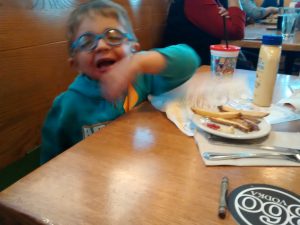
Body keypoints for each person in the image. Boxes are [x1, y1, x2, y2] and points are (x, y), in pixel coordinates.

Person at [40, 0, 200, 164]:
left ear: (133, 48)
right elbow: (48, 166)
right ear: (75, 63)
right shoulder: (66, 106)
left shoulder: (142, 78)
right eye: (86, 42)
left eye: (113, 36)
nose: (101, 45)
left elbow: (189, 60)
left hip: (139, 167)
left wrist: (139, 62)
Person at [161, 0, 246, 65]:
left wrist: (229, 16)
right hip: (191, 67)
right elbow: (236, 31)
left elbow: (233, 26)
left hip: (204, 59)